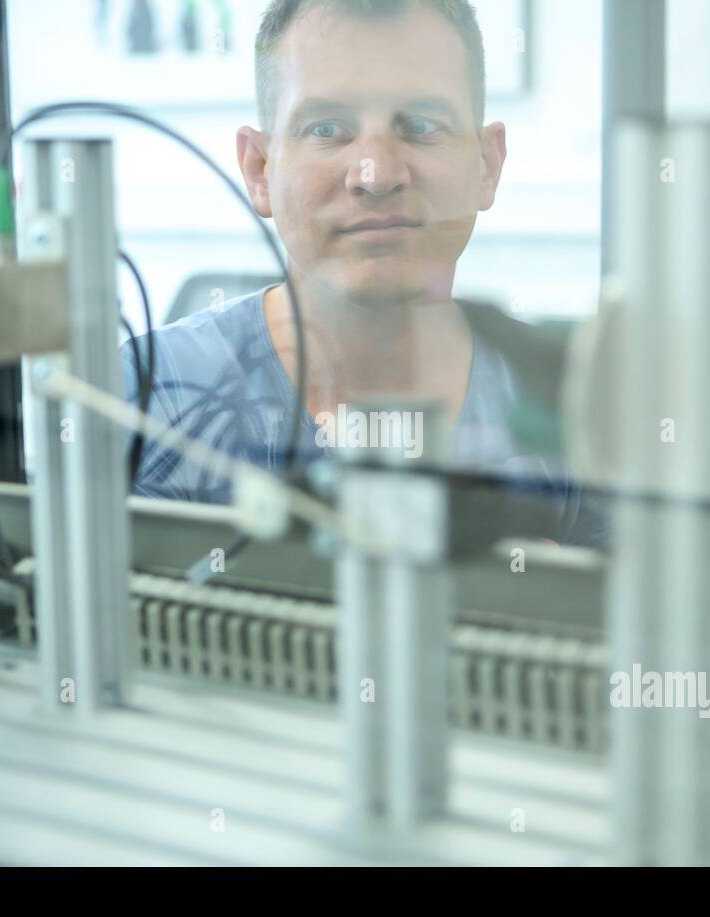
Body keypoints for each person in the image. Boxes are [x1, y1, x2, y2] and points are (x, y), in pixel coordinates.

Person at [123, 0, 607, 549]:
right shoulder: (151, 397)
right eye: (327, 127)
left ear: (486, 165)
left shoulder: (570, 405)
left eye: (422, 125)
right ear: (260, 169)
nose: (376, 175)